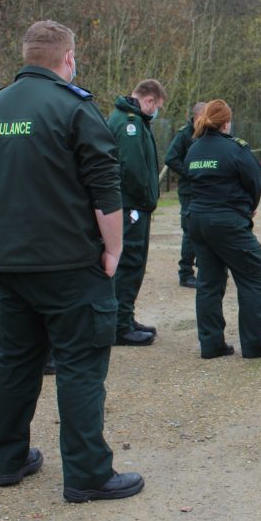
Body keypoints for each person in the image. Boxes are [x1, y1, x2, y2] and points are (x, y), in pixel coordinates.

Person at [0, 19, 143, 502]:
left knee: (15, 361)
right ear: (68, 58)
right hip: (68, 264)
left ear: (26, 56)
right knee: (81, 365)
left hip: (7, 262)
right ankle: (87, 473)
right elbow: (105, 191)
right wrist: (114, 249)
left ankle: (8, 459)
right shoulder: (74, 109)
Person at [186, 99, 261, 359]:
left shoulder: (194, 150)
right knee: (252, 277)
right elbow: (254, 182)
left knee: (208, 282)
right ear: (226, 122)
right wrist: (248, 207)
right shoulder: (236, 149)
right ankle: (254, 344)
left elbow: (189, 183)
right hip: (227, 222)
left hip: (198, 221)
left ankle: (211, 344)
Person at [107, 79, 165, 345]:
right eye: (157, 106)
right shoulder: (130, 123)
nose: (156, 111)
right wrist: (146, 196)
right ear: (149, 100)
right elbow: (132, 168)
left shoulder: (133, 120)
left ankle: (125, 317)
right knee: (130, 262)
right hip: (132, 206)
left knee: (133, 263)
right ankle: (120, 325)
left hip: (134, 204)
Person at [165, 101, 206, 288]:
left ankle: (205, 269)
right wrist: (189, 173)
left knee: (205, 231)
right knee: (190, 232)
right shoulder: (184, 134)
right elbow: (171, 158)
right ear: (197, 116)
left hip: (205, 190)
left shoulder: (207, 132)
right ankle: (186, 273)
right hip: (189, 192)